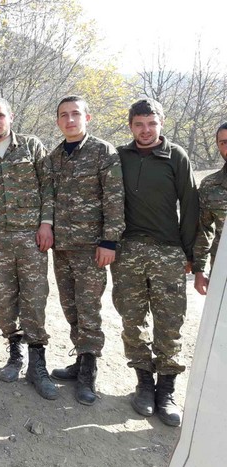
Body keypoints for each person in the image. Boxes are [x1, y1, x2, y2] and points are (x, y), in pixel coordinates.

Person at [112, 98, 199, 427]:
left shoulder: (176, 156)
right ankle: (144, 385)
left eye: (151, 123)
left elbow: (189, 205)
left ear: (161, 123)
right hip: (128, 251)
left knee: (169, 322)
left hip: (167, 251)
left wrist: (188, 253)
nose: (146, 130)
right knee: (132, 321)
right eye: (139, 124)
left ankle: (167, 390)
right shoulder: (120, 156)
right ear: (130, 126)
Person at [0, 98, 56, 399]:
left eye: (0, 115)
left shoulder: (31, 146)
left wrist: (46, 224)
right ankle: (15, 355)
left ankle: (37, 363)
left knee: (34, 298)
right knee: (5, 301)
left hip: (31, 237)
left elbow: (48, 187)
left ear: (11, 117)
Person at [46, 96, 125, 406]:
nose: (70, 120)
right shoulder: (54, 157)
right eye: (64, 115)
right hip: (62, 247)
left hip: (92, 248)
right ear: (57, 121)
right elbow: (49, 198)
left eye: (75, 114)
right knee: (70, 307)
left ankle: (88, 372)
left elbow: (114, 199)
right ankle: (79, 360)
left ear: (87, 118)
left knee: (89, 309)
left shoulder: (103, 152)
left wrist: (109, 241)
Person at [193, 122, 227, 295]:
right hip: (222, 270)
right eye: (224, 142)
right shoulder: (210, 185)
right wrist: (199, 270)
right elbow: (203, 230)